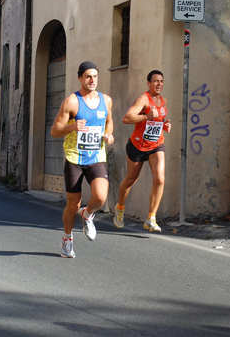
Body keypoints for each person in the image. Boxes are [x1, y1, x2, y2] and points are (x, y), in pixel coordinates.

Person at [50, 61, 114, 258]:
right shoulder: (72, 102)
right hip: (75, 158)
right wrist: (72, 127)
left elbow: (109, 122)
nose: (92, 80)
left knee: (101, 197)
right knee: (72, 205)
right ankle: (67, 239)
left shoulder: (106, 100)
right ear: (80, 78)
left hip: (96, 156)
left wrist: (109, 135)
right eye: (88, 76)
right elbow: (54, 131)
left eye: (95, 76)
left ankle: (87, 215)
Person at [114, 70, 171, 232]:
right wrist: (146, 116)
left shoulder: (163, 100)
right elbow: (126, 118)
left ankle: (151, 218)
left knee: (160, 178)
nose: (159, 84)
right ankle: (120, 208)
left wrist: (165, 125)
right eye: (155, 81)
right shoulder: (143, 99)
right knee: (131, 179)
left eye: (161, 81)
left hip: (156, 144)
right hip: (137, 146)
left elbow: (159, 120)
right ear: (148, 83)